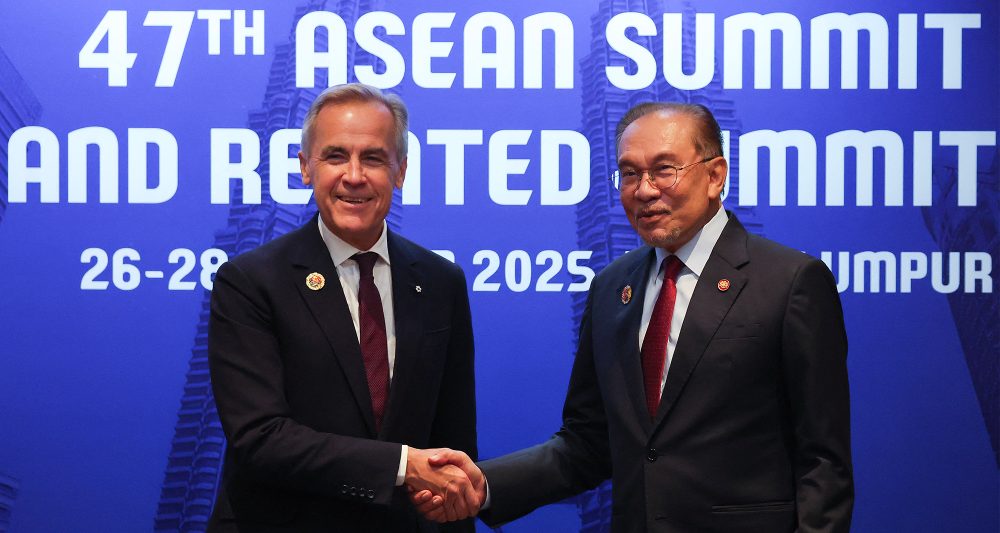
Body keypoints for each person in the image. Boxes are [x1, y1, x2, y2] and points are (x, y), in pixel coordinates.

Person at [414, 102, 854, 533]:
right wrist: (485, 484)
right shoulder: (611, 288)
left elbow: (823, 461)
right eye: (629, 173)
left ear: (715, 176)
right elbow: (588, 443)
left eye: (664, 169)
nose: (644, 190)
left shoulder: (790, 282)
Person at [206, 83, 480, 532]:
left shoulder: (440, 283)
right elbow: (261, 440)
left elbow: (452, 448)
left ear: (401, 170)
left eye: (373, 158)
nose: (354, 176)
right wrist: (401, 465)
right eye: (336, 156)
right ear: (305, 168)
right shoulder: (252, 282)